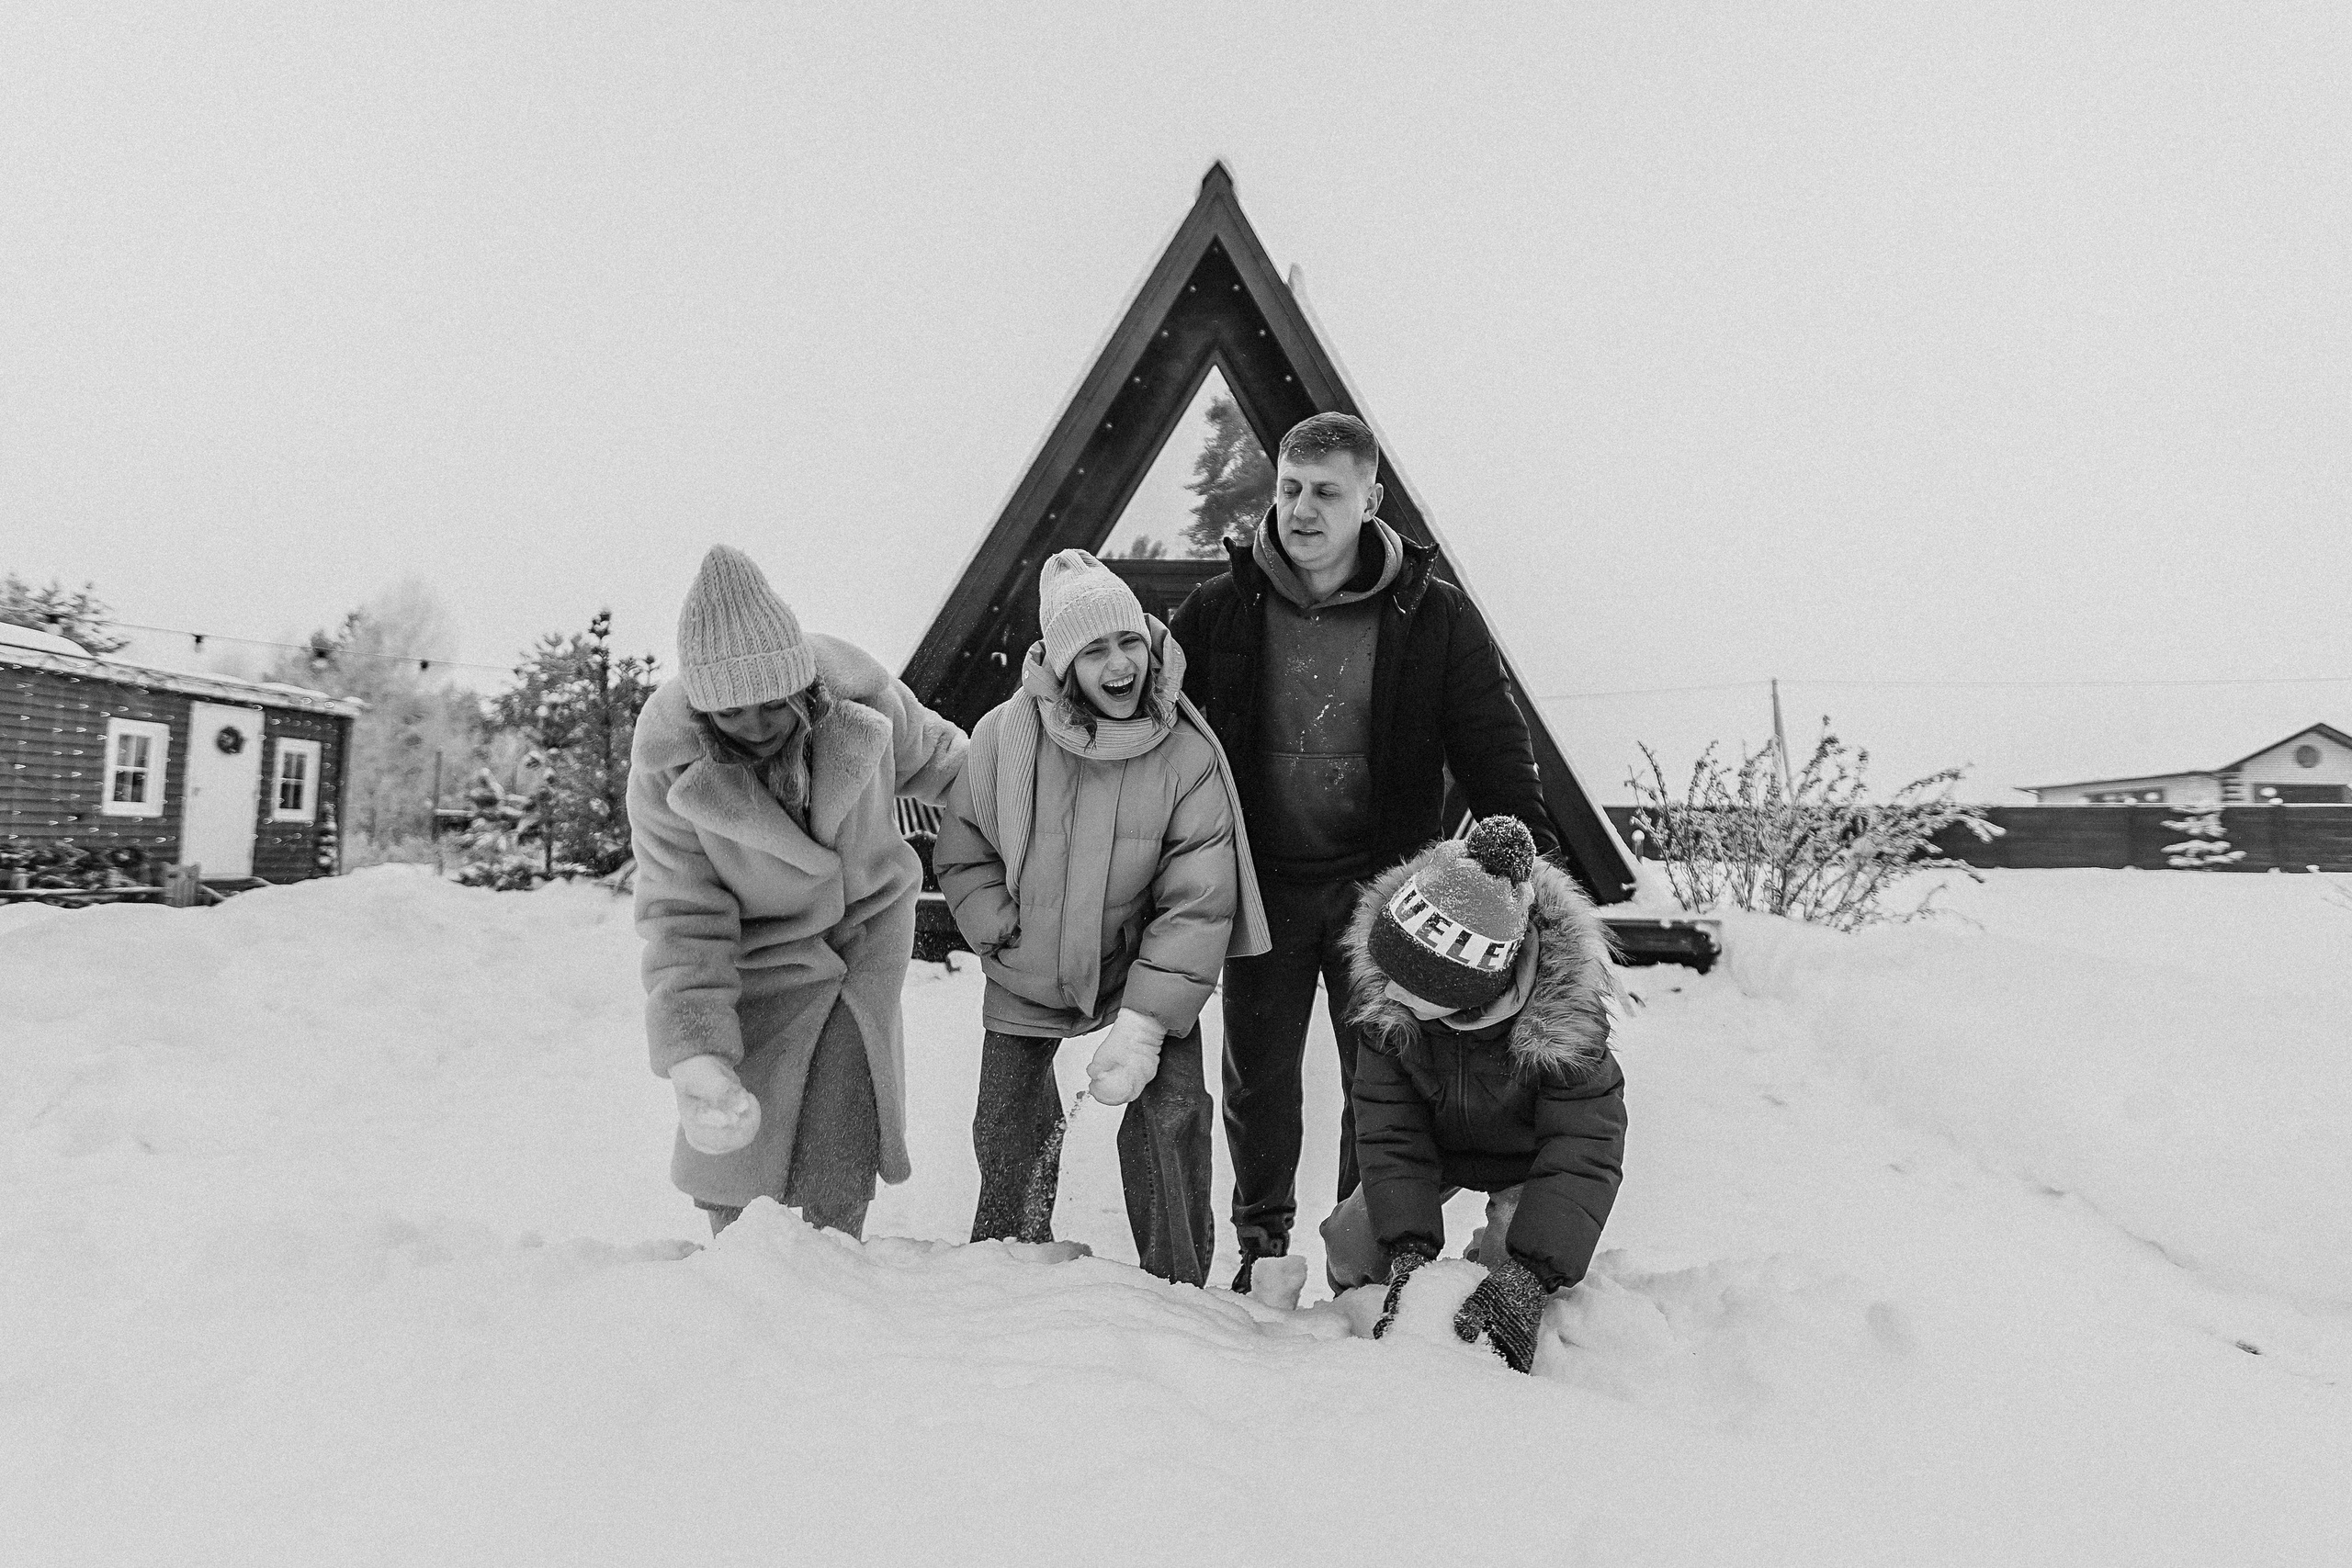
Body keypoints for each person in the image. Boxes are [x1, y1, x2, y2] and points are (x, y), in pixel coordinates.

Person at [1168, 411, 1562, 1291]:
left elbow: (1493, 744)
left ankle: (1363, 1244)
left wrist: (1517, 859)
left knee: (1378, 1080)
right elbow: (1152, 724)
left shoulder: (1434, 616)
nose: (1302, 510)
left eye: (1326, 493)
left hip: (1384, 894)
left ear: (1370, 499)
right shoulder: (1221, 607)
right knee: (1258, 1076)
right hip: (1262, 883)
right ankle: (1262, 1245)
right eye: (1291, 489)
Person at [933, 551, 1268, 1285]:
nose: (1119, 664)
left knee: (1172, 1108)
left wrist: (1148, 1019)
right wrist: (997, 928)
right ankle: (1008, 1262)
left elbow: (1197, 899)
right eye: (1093, 650)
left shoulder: (1186, 752)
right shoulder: (1001, 738)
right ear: (1061, 666)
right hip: (1030, 961)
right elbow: (964, 850)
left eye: (1129, 643)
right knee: (1007, 1125)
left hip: (1136, 966)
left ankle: (1176, 1281)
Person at [628, 545, 966, 1240]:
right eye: (729, 714)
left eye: (769, 705)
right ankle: (740, 1290)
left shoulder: (863, 699)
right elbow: (681, 915)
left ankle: (836, 1282)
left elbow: (946, 763)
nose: (752, 726)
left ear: (802, 687)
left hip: (860, 938)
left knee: (841, 1127)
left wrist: (1033, 805)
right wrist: (696, 1054)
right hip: (753, 960)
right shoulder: (669, 769)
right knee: (735, 1140)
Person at [1319, 816, 1625, 1373]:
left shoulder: (1561, 1027)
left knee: (1510, 1273)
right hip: (1437, 1153)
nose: (1387, 990)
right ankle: (1353, 1319)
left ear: (1467, 990)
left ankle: (1500, 1261)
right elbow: (1392, 1134)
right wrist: (1407, 1247)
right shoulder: (1395, 1016)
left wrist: (1530, 1274)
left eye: (1409, 983)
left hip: (1526, 1165)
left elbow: (1584, 1154)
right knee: (1356, 1241)